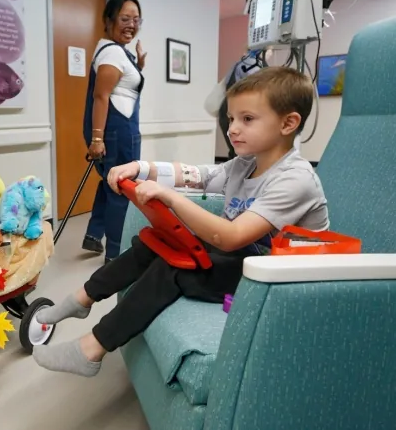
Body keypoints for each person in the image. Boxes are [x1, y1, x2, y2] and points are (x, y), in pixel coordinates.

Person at [34, 67, 329, 377]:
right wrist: (140, 167)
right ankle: (82, 298)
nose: (232, 129)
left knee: (174, 266)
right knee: (155, 242)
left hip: (280, 279)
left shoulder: (295, 179)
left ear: (288, 123)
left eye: (247, 119)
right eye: (231, 119)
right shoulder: (244, 165)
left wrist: (172, 198)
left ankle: (91, 348)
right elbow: (198, 175)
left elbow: (230, 236)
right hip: (248, 260)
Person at [81, 0, 148, 264]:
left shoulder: (116, 51)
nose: (131, 24)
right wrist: (97, 139)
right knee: (122, 187)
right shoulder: (112, 52)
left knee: (110, 183)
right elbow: (101, 96)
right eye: (124, 18)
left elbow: (121, 88)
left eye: (136, 19)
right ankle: (116, 255)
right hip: (117, 132)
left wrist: (139, 65)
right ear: (108, 21)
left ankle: (94, 235)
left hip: (118, 130)